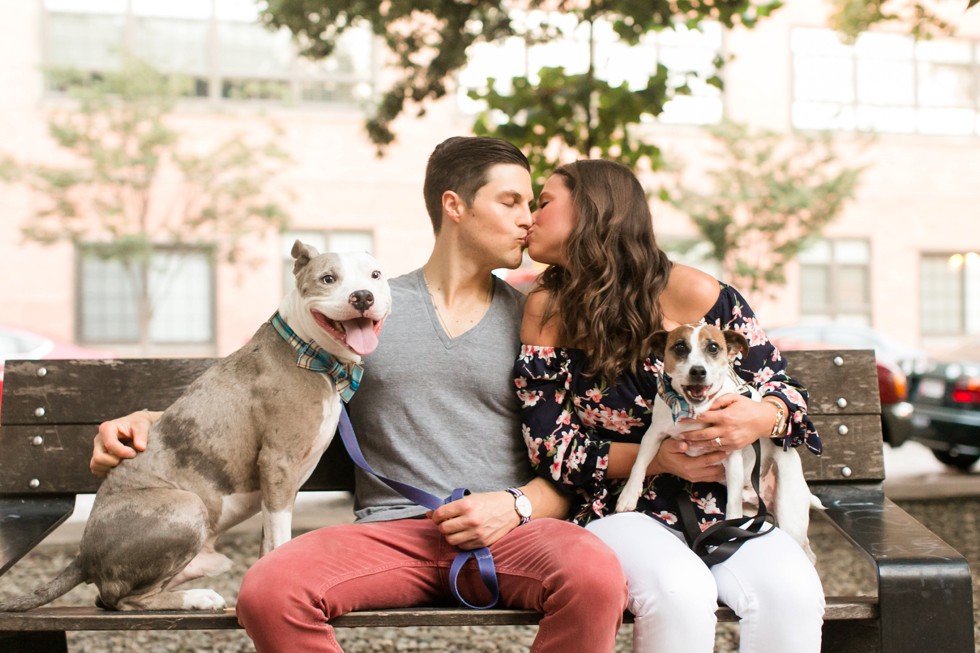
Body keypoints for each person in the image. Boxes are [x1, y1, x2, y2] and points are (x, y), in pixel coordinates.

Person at [90, 136, 628, 653]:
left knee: (598, 578)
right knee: (269, 591)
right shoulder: (359, 308)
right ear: (454, 206)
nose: (527, 219)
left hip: (510, 531)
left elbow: (574, 462)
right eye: (510, 201)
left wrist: (513, 506)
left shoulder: (539, 319)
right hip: (392, 533)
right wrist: (146, 421)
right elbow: (258, 396)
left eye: (530, 204)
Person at [515, 159, 825, 653]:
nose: (530, 216)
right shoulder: (546, 309)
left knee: (792, 593)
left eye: (544, 201)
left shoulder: (702, 294)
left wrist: (760, 416)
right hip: (620, 508)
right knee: (680, 592)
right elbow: (551, 449)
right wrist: (656, 459)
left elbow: (785, 392)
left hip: (726, 505)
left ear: (592, 213)